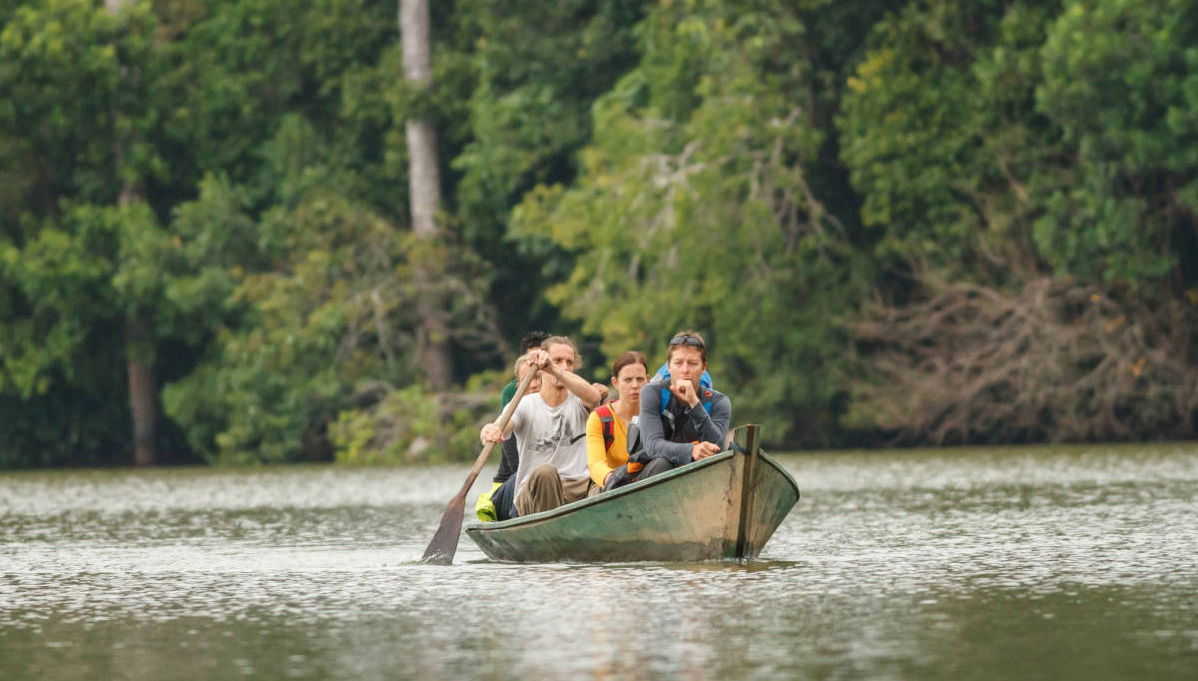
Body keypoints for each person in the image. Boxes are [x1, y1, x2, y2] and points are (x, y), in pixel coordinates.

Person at [480, 336, 602, 517]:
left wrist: (554, 369)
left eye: (569, 362)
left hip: (577, 492)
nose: (565, 367)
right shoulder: (525, 404)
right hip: (535, 495)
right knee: (546, 472)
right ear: (542, 366)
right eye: (558, 361)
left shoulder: (580, 401)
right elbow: (502, 425)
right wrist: (490, 430)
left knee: (608, 479)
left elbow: (594, 398)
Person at [636, 330, 731, 478]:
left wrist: (694, 402)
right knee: (663, 463)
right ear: (669, 366)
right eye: (678, 363)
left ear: (703, 367)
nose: (685, 370)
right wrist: (691, 450)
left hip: (700, 475)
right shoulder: (651, 392)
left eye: (692, 364)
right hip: (654, 471)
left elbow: (716, 448)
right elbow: (652, 446)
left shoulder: (719, 401)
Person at [586, 351, 650, 491]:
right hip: (609, 486)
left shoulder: (657, 414)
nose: (634, 385)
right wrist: (612, 478)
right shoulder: (600, 418)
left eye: (640, 379)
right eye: (627, 380)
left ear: (648, 380)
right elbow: (596, 464)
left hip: (647, 483)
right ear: (615, 383)